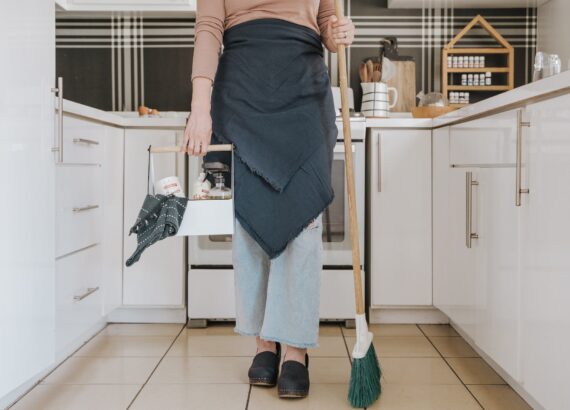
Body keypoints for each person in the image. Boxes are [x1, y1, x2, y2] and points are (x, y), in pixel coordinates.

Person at [182, 0, 355, 399]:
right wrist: (199, 109)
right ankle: (264, 340)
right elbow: (209, 28)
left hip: (304, 90)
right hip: (242, 89)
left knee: (303, 219)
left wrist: (336, 34)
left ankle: (295, 347)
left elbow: (327, 21)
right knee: (251, 219)